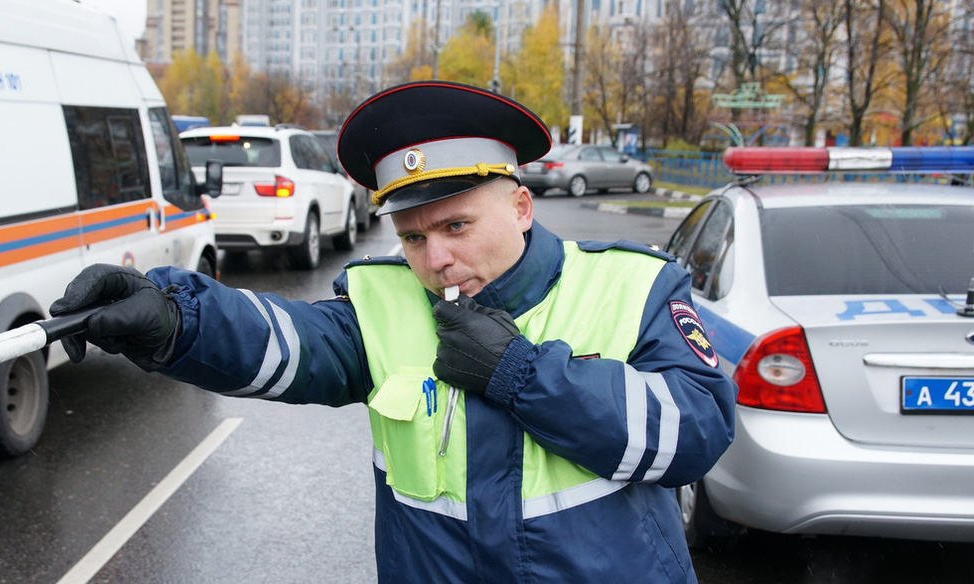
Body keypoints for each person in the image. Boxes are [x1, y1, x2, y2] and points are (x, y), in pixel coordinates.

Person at [50, 81, 736, 582]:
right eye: (412, 237)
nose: (434, 260)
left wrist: (523, 376)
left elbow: (698, 432)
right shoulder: (387, 301)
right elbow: (288, 343)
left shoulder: (633, 286)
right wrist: (173, 316)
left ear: (522, 206)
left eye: (455, 226)